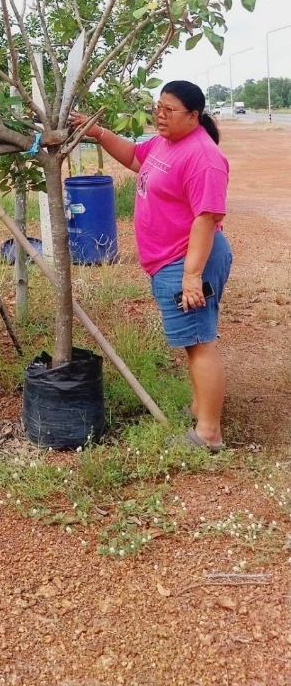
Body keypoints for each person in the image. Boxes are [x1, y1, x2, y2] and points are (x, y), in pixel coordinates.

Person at [70, 80, 232, 452]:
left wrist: (191, 276)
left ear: (194, 116)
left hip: (188, 260)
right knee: (194, 341)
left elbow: (206, 218)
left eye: (169, 110)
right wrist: (97, 132)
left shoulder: (203, 158)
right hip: (172, 260)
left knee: (199, 342)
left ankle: (208, 433)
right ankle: (199, 407)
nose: (160, 114)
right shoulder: (166, 142)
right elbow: (133, 157)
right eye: (158, 106)